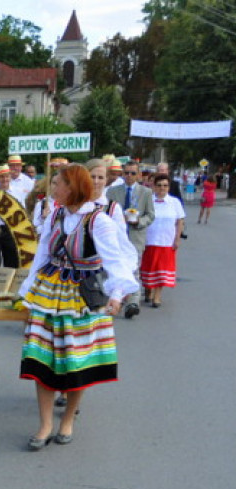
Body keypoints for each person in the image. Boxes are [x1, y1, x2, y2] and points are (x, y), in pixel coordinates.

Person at [18, 164, 138, 450]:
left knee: (77, 360)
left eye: (57, 183)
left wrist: (117, 294)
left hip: (83, 296)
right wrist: (26, 294)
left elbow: (117, 261)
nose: (53, 188)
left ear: (72, 187)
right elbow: (42, 255)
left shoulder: (99, 221)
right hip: (49, 292)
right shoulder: (56, 214)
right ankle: (45, 424)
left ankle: (67, 419)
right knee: (42, 359)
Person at [106, 161, 155, 319]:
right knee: (114, 269)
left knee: (134, 270)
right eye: (126, 172)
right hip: (116, 238)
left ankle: (133, 303)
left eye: (133, 173)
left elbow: (151, 215)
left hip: (135, 237)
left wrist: (139, 222)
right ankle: (115, 299)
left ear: (139, 175)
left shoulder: (146, 192)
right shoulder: (113, 192)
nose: (129, 176)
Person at [142, 173, 185, 307]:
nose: (162, 188)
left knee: (162, 270)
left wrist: (177, 238)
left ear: (169, 187)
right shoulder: (147, 200)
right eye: (159, 185)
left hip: (166, 242)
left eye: (165, 186)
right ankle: (148, 291)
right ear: (154, 186)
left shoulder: (174, 202)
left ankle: (157, 296)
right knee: (148, 269)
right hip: (149, 241)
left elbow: (180, 221)